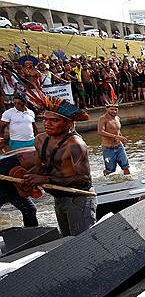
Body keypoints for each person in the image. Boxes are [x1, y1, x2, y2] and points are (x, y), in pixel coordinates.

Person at [21, 89, 95, 236]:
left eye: (54, 120)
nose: (47, 124)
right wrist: (26, 178)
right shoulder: (40, 140)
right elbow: (39, 167)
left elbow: (84, 179)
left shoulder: (75, 144)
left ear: (68, 124)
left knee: (83, 243)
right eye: (45, 119)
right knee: (67, 242)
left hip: (79, 198)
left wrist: (46, 179)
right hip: (59, 198)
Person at [0, 147, 39, 227]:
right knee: (29, 209)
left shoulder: (38, 151)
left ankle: (32, 234)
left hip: (11, 178)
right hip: (6, 178)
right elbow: (24, 192)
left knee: (29, 209)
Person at [97, 104, 130, 175]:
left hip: (119, 147)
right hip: (108, 148)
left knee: (126, 167)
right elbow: (100, 132)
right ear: (107, 109)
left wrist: (122, 138)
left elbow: (118, 131)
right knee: (110, 170)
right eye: (112, 109)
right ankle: (108, 184)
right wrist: (116, 137)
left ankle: (130, 184)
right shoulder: (103, 119)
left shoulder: (117, 118)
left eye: (116, 109)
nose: (114, 111)